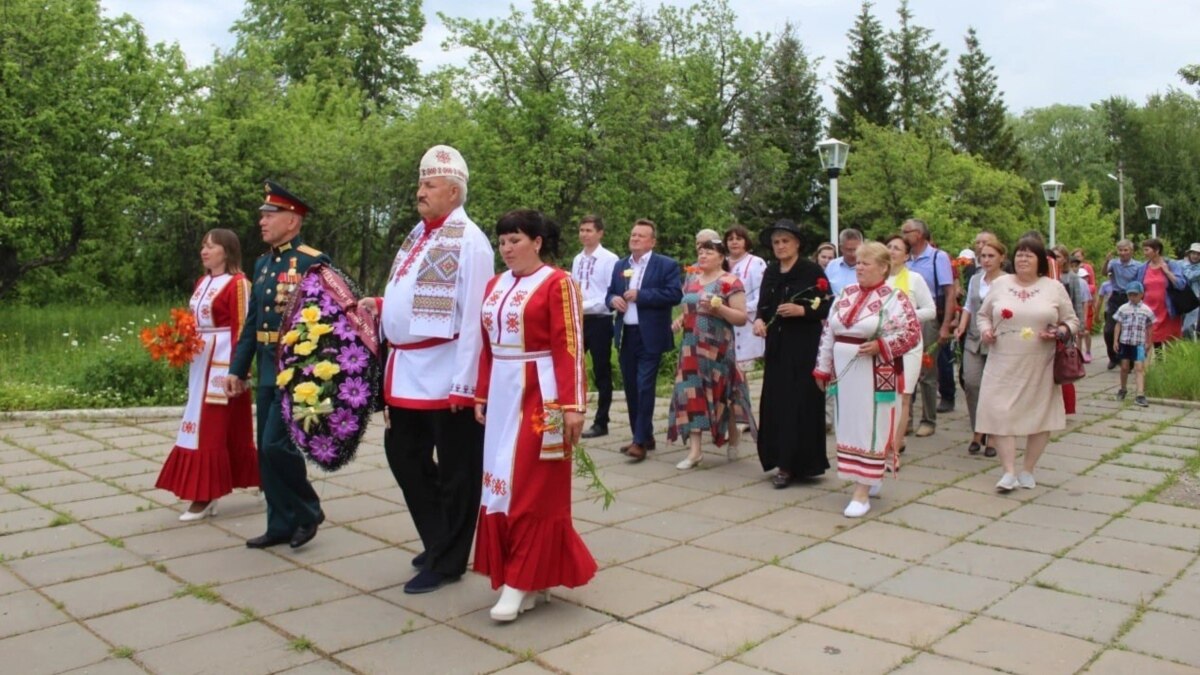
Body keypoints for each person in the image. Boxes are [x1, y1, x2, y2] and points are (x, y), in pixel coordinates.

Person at [368, 145, 494, 594]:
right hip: (407, 367)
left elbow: (474, 313)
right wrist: (381, 307)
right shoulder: (417, 234)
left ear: (454, 192)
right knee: (403, 455)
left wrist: (468, 381)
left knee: (459, 468)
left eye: (429, 184)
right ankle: (440, 537)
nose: (420, 191)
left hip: (447, 369)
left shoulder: (470, 240)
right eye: (420, 183)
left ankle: (450, 558)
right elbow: (412, 293)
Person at [473, 209, 596, 622]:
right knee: (501, 483)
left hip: (542, 395)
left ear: (538, 242)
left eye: (516, 240)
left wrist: (574, 404)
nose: (507, 249)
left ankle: (522, 578)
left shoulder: (558, 283)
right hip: (502, 393)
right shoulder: (495, 284)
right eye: (503, 241)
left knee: (533, 483)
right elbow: (487, 346)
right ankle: (525, 575)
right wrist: (481, 393)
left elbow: (570, 347)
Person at [226, 181, 330, 549]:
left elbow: (327, 323)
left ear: (293, 221)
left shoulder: (312, 261)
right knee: (265, 452)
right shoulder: (263, 263)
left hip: (296, 370)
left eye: (271, 215)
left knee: (276, 446)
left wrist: (315, 372)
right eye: (262, 215)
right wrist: (237, 369)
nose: (262, 221)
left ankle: (307, 508)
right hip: (267, 367)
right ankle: (280, 522)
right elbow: (252, 323)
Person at [157, 229, 259, 521]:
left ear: (226, 252)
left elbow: (243, 327)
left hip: (224, 362)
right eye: (203, 245)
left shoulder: (239, 284)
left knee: (211, 425)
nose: (205, 251)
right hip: (201, 359)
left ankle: (205, 495)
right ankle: (258, 480)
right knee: (217, 425)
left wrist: (240, 370)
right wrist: (178, 341)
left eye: (212, 246)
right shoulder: (203, 282)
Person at [814, 242, 920, 516]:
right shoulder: (845, 294)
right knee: (848, 425)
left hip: (875, 376)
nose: (859, 267)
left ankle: (862, 492)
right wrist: (822, 368)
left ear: (884, 267)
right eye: (858, 262)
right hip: (845, 375)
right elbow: (829, 333)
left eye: (866, 263)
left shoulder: (895, 298)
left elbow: (910, 334)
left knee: (871, 427)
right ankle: (866, 477)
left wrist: (881, 346)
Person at [975, 235, 1078, 492]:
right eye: (1019, 253)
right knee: (999, 412)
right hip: (1002, 362)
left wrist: (1060, 332)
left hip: (1039, 363)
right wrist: (986, 331)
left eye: (1029, 255)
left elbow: (1072, 321)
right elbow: (982, 315)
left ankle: (1028, 470)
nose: (1022, 258)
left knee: (1039, 417)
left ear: (1040, 261)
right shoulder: (1000, 284)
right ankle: (1008, 471)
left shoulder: (1053, 287)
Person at [752, 220, 832, 488]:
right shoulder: (772, 271)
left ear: (797, 243)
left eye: (785, 241)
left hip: (803, 347)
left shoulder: (810, 271)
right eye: (776, 242)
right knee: (777, 402)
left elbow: (827, 306)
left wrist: (803, 311)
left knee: (800, 403)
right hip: (776, 346)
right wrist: (759, 321)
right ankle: (779, 459)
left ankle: (798, 464)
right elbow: (764, 305)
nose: (780, 246)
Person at [667, 240, 757, 469]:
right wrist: (679, 320)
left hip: (718, 350)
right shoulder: (692, 280)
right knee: (691, 394)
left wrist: (719, 309)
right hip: (690, 347)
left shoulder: (730, 282)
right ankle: (695, 452)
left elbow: (740, 317)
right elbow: (689, 308)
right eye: (700, 251)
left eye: (709, 251)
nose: (703, 255)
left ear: (721, 256)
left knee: (723, 395)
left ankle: (733, 437)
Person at [606, 219, 683, 462]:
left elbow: (674, 294)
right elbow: (610, 291)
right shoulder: (621, 264)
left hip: (650, 335)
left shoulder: (666, 265)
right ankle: (643, 435)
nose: (635, 239)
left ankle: (639, 442)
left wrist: (642, 295)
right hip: (626, 334)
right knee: (630, 387)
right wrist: (612, 300)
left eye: (641, 236)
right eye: (633, 234)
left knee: (644, 385)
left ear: (652, 241)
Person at [883, 234, 936, 456]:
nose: (892, 251)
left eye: (897, 248)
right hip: (882, 344)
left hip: (908, 344)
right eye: (889, 247)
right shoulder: (877, 278)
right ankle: (884, 441)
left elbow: (930, 310)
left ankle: (895, 445)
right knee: (884, 395)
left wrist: (905, 315)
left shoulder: (914, 279)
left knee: (904, 394)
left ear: (906, 256)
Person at [955, 235, 1007, 458]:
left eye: (990, 256)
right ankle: (978, 428)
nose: (986, 260)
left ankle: (993, 435)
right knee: (972, 383)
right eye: (983, 256)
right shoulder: (976, 279)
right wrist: (961, 326)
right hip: (974, 339)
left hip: (998, 341)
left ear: (1001, 258)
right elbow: (969, 305)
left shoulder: (1008, 281)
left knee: (994, 389)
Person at [902, 219, 957, 430]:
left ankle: (928, 419)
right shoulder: (904, 259)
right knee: (905, 370)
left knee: (926, 369)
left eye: (907, 231)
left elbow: (949, 292)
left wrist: (945, 326)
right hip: (904, 317)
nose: (904, 235)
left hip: (928, 317)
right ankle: (905, 420)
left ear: (920, 234)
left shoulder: (937, 257)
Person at [571, 215, 619, 439]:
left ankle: (602, 420)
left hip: (599, 319)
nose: (584, 234)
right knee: (572, 367)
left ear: (600, 233)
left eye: (589, 230)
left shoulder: (609, 259)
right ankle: (570, 414)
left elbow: (608, 294)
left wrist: (582, 305)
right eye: (582, 230)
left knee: (601, 370)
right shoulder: (578, 259)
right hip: (580, 320)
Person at [724, 225, 767, 373]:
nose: (734, 242)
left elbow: (762, 296)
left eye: (739, 238)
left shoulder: (756, 262)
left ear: (746, 241)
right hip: (723, 323)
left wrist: (739, 309)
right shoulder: (721, 263)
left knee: (741, 374)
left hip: (747, 323)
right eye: (730, 239)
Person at [1135, 238, 1187, 348]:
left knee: (1169, 341)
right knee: (1153, 339)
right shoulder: (1142, 268)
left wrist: (1167, 272)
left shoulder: (1171, 264)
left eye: (1147, 250)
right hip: (1150, 310)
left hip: (1168, 309)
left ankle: (1169, 364)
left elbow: (1181, 284)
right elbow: (1139, 288)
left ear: (1157, 250)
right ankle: (1158, 363)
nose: (1144, 253)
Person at [1113, 282, 1155, 407]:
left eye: (1135, 295)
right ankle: (1123, 388)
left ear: (1141, 295)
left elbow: (1150, 327)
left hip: (1139, 343)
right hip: (1125, 342)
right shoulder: (1123, 308)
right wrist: (1115, 340)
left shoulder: (1146, 310)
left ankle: (1140, 394)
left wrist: (1149, 342)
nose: (1132, 297)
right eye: (1130, 295)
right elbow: (1118, 324)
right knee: (1124, 367)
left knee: (1139, 367)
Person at [1104, 240, 1143, 368]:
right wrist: (1106, 261)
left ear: (1131, 251)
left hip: (1130, 298)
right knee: (1109, 330)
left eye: (1126, 250)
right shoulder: (1114, 263)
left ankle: (1129, 359)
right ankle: (1113, 357)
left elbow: (1140, 283)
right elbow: (1104, 273)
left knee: (1129, 330)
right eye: (1120, 250)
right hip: (1116, 297)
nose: (1123, 253)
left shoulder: (1138, 266)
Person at [1071, 248, 1098, 360]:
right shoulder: (1068, 277)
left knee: (1085, 332)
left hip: (1085, 306)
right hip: (1074, 308)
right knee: (1077, 334)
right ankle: (1078, 354)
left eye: (1079, 256)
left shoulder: (1086, 271)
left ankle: (1087, 350)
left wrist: (1085, 317)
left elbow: (1092, 286)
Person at [824, 229, 862, 296]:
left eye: (856, 249)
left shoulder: (868, 268)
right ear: (841, 248)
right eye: (849, 250)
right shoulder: (832, 265)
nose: (853, 254)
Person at [1183, 243, 1200, 339]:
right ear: (1189, 254)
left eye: (1198, 254)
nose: (1195, 256)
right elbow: (1188, 276)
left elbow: (1190, 276)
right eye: (1193, 253)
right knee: (1182, 327)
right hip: (1182, 299)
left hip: (1196, 298)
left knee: (1189, 326)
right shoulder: (1183, 265)